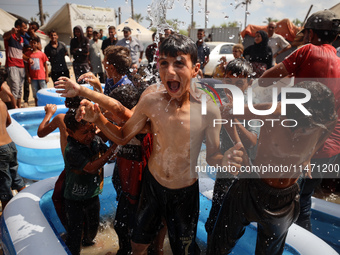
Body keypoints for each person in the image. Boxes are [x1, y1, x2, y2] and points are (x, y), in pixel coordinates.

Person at [56, 34, 243, 255]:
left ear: (196, 69)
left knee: (183, 249)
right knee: (137, 246)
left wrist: (225, 160)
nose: (170, 71)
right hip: (153, 187)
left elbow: (212, 155)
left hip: (184, 194)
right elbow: (123, 135)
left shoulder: (207, 109)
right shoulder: (152, 101)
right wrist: (98, 119)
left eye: (180, 64)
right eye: (164, 64)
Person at [209, 80, 337, 255]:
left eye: (309, 128)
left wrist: (309, 155)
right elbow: (225, 112)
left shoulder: (323, 121)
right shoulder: (273, 111)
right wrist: (240, 147)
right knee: (218, 246)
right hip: (251, 188)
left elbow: (332, 124)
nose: (301, 133)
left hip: (284, 200)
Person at [258, 9, 340, 232]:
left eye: (306, 35)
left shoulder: (307, 52)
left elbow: (265, 81)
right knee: (304, 202)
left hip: (302, 147)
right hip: (330, 149)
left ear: (311, 35)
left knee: (281, 205)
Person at [205, 58, 260, 244]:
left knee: (234, 222)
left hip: (245, 173)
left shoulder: (251, 105)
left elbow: (252, 142)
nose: (233, 88)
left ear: (249, 84)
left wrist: (231, 120)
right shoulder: (219, 101)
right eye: (229, 82)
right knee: (215, 218)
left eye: (239, 83)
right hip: (225, 169)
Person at [63, 109, 117, 255]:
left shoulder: (95, 141)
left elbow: (110, 156)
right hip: (74, 199)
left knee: (93, 226)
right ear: (71, 132)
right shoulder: (72, 150)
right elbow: (91, 168)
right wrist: (112, 150)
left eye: (93, 130)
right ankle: (73, 249)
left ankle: (88, 243)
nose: (90, 135)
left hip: (92, 194)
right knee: (75, 231)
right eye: (85, 132)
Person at [0, 72, 25, 211]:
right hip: (10, 145)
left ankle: (6, 215)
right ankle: (28, 203)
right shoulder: (2, 104)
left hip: (0, 149)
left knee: (3, 186)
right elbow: (8, 122)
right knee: (16, 177)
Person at [3, 19, 29, 108]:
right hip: (12, 66)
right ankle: (13, 109)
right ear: (18, 27)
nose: (26, 30)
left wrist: (29, 59)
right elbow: (4, 36)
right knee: (14, 89)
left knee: (19, 91)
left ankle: (18, 107)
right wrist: (11, 31)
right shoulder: (10, 36)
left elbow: (20, 53)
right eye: (24, 28)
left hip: (21, 66)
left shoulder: (21, 39)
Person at [25, 37, 49, 106]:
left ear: (38, 44)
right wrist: (28, 76)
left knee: (44, 92)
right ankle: (37, 106)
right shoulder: (27, 54)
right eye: (31, 43)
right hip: (33, 78)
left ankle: (45, 105)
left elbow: (46, 66)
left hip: (41, 77)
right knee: (35, 94)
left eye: (34, 43)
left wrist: (46, 76)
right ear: (30, 43)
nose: (33, 44)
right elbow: (26, 67)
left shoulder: (41, 54)